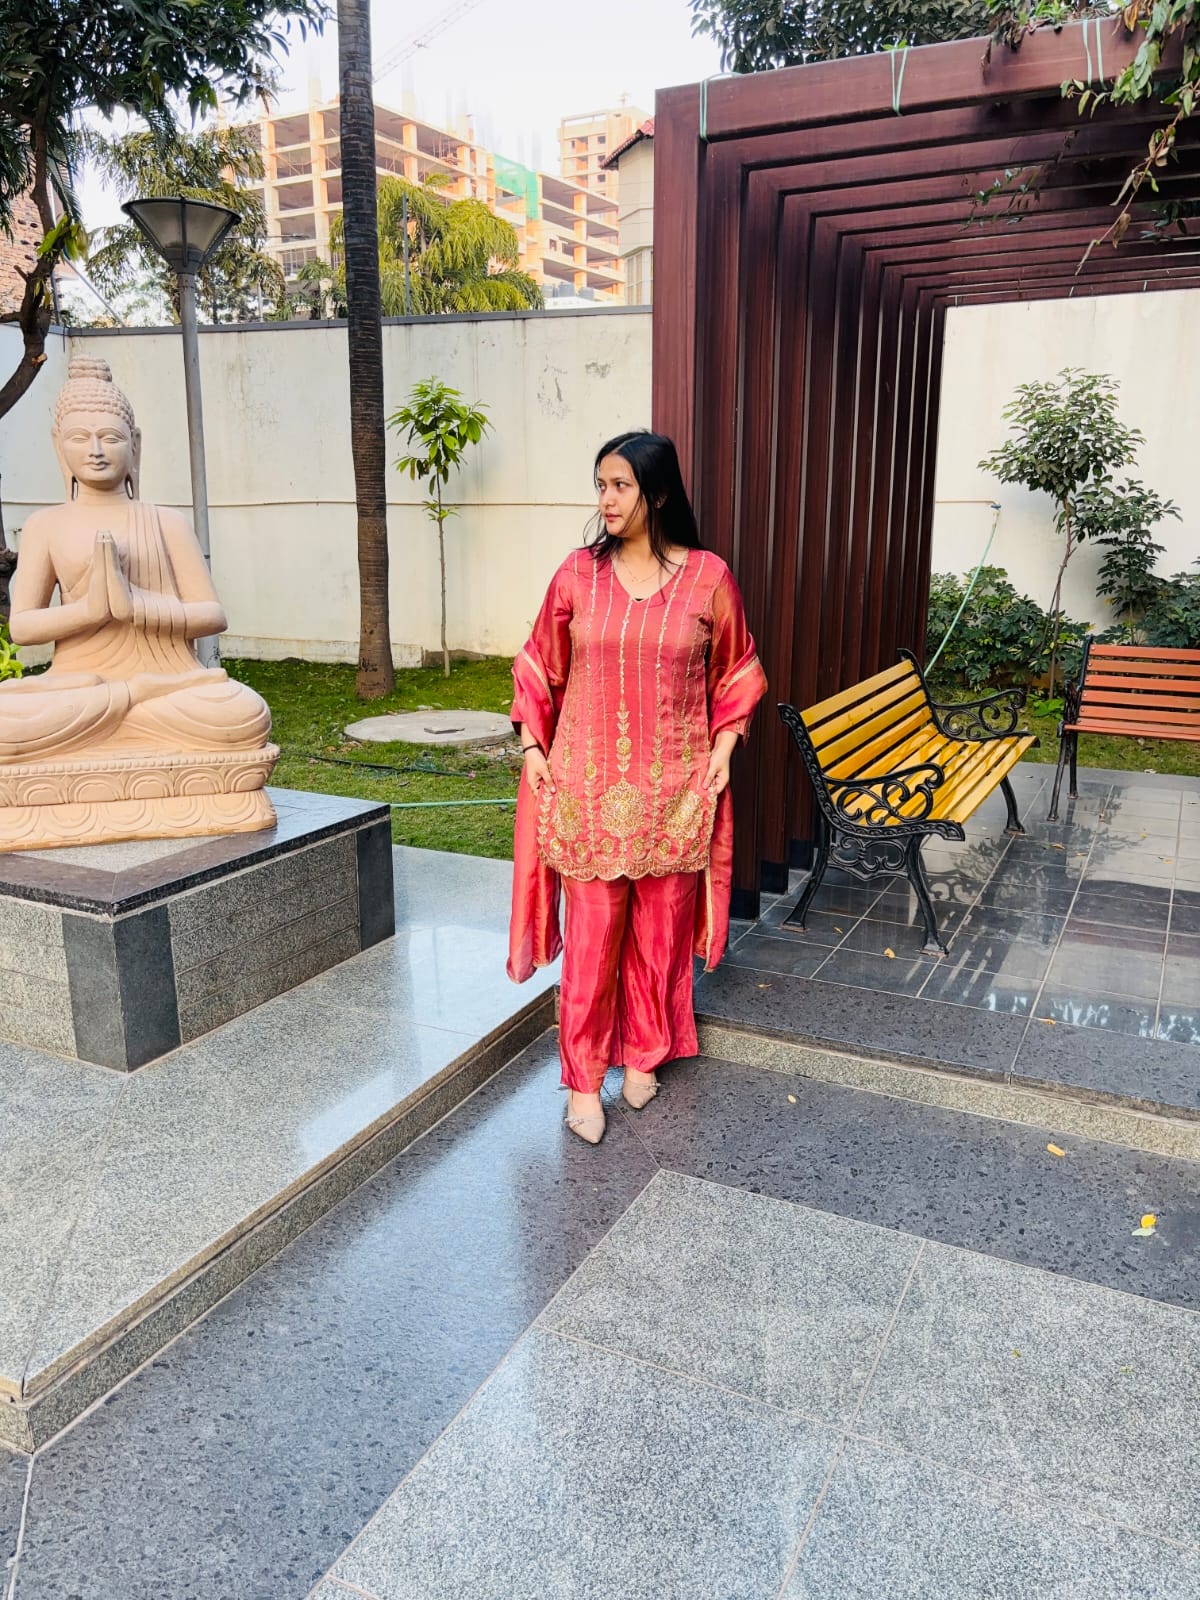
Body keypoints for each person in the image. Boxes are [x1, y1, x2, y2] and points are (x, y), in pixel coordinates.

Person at [508, 430, 767, 1145]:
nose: (606, 499)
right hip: (587, 790)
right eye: (601, 485)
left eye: (619, 485)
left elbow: (737, 670)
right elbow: (538, 666)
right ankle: (583, 1079)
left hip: (675, 789)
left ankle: (647, 1053)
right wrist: (531, 746)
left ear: (657, 492)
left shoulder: (708, 577)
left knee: (660, 936)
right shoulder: (576, 575)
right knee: (593, 945)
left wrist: (723, 750)